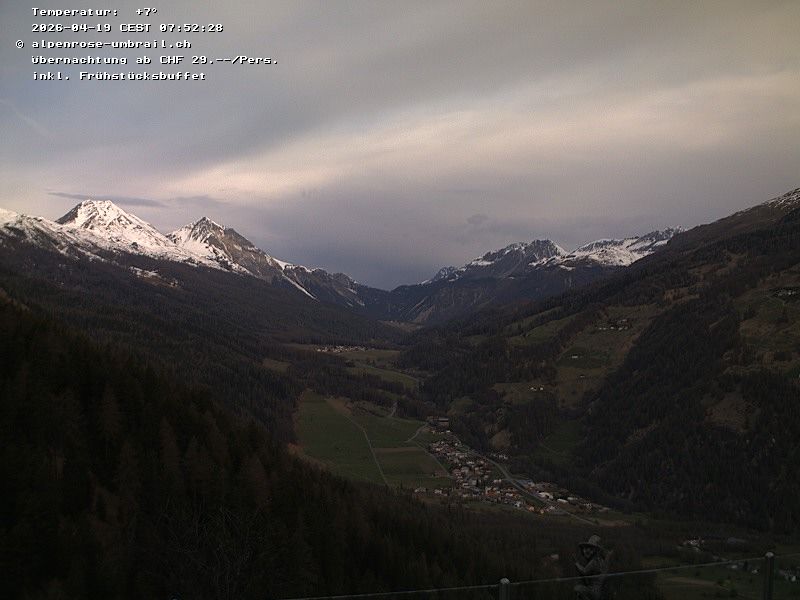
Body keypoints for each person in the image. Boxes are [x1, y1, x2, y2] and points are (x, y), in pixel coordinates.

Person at [574, 535, 612, 600]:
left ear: (595, 550)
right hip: (599, 590)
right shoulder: (601, 561)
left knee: (577, 588)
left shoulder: (595, 561)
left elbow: (584, 571)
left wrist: (576, 563)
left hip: (594, 591)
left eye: (591, 549)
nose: (587, 551)